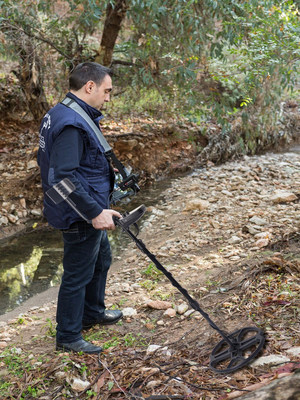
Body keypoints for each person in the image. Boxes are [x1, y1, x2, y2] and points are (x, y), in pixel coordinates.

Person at [38, 62, 123, 354]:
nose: (107, 98)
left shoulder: (65, 111)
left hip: (86, 206)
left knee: (101, 261)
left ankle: (92, 313)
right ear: (90, 86)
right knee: (77, 274)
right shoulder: (71, 122)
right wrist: (93, 212)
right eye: (106, 91)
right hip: (78, 213)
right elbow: (60, 178)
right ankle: (69, 336)